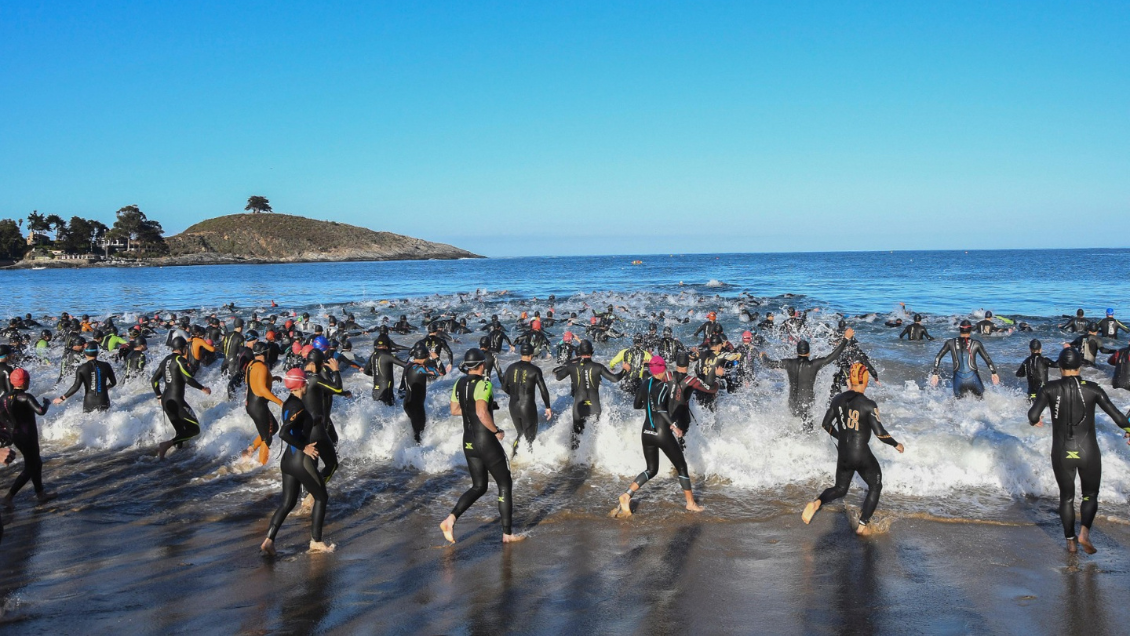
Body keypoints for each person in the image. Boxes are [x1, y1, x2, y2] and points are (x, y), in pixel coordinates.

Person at [1027, 348, 1130, 554]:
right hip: (1088, 451)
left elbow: (1032, 416)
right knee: (1090, 495)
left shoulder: (1049, 388)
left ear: (1060, 366)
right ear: (1080, 366)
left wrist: (1036, 420)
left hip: (1062, 451)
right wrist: (1129, 431)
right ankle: (1084, 532)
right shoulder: (1093, 389)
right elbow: (1118, 417)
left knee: (1066, 497)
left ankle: (1071, 542)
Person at [801, 363, 904, 535]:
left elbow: (826, 424)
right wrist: (896, 444)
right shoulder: (869, 404)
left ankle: (817, 503)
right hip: (861, 453)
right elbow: (880, 434)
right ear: (866, 381)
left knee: (840, 488)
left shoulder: (837, 399)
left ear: (850, 379)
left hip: (844, 452)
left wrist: (840, 437)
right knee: (875, 485)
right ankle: (862, 525)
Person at [439, 349, 524, 544]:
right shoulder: (484, 383)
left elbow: (454, 410)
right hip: (485, 441)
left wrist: (475, 409)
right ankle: (507, 534)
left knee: (479, 486)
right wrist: (496, 431)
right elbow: (481, 413)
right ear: (482, 365)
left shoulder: (458, 383)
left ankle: (450, 519)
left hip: (468, 442)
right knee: (504, 483)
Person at [614, 357, 704, 517]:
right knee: (681, 466)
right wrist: (674, 426)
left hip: (646, 432)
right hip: (661, 432)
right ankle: (690, 503)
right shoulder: (663, 386)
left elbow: (636, 405)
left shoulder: (644, 384)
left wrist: (651, 406)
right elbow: (662, 409)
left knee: (651, 469)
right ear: (662, 370)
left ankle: (627, 495)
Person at [260, 368, 335, 556]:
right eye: (305, 381)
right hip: (300, 461)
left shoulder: (289, 403)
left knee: (288, 503)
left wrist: (315, 420)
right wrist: (305, 447)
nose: (307, 384)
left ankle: (269, 540)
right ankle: (316, 542)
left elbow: (297, 426)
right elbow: (284, 433)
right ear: (301, 384)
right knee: (322, 497)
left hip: (288, 461)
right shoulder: (298, 407)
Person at [762, 329, 852, 429]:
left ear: (797, 352)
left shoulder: (788, 363)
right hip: (806, 405)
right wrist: (846, 339)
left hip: (792, 404)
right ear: (808, 353)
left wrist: (764, 356)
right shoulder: (813, 365)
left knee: (793, 428)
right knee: (808, 430)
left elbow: (768, 363)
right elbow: (832, 357)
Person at [0, 368, 57, 509]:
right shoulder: (25, 397)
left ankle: (40, 493)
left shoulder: (4, 398)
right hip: (28, 436)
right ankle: (9, 497)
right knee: (31, 466)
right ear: (25, 382)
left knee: (37, 463)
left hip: (16, 436)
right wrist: (47, 403)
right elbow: (40, 411)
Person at [553, 339, 626, 449]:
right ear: (592, 351)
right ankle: (593, 457)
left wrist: (559, 370)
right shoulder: (598, 367)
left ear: (579, 352)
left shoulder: (572, 366)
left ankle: (573, 457)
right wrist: (625, 370)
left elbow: (558, 376)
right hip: (594, 406)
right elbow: (615, 379)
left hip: (579, 407)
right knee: (594, 436)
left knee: (576, 436)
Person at [151, 337, 212, 459]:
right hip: (177, 401)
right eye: (185, 347)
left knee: (180, 431)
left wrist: (159, 396)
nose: (187, 350)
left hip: (166, 401)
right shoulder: (179, 360)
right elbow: (187, 378)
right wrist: (202, 388)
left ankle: (176, 458)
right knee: (195, 430)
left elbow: (154, 380)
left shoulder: (165, 360)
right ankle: (166, 445)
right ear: (181, 348)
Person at [500, 343, 552, 456]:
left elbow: (504, 387)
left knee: (520, 433)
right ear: (531, 355)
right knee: (530, 437)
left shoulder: (511, 367)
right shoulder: (535, 370)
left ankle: (514, 457)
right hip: (527, 406)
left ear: (521, 353)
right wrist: (548, 407)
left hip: (513, 405)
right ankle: (528, 462)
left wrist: (513, 395)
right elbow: (543, 390)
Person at [929, 320, 999, 399]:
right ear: (970, 329)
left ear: (960, 329)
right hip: (973, 379)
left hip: (958, 381)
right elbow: (987, 358)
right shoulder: (976, 343)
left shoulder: (950, 342)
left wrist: (935, 374)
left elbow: (938, 357)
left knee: (958, 403)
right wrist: (994, 372)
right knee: (981, 400)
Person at [243, 341, 283, 465]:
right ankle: (261, 467)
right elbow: (262, 390)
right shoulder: (262, 367)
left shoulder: (251, 364)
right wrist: (280, 402)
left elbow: (249, 381)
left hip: (251, 404)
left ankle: (250, 450)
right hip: (259, 406)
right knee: (267, 438)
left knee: (274, 427)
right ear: (266, 352)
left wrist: (271, 378)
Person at [667, 351, 718, 447]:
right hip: (682, 417)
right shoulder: (692, 380)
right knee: (682, 445)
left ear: (676, 363)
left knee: (669, 445)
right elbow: (711, 389)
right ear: (688, 364)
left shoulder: (667, 376)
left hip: (667, 416)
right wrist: (717, 378)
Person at [54, 341, 117, 412]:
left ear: (85, 353)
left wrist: (62, 398)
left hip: (89, 401)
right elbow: (113, 382)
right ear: (97, 352)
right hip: (103, 400)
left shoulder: (82, 368)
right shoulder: (106, 365)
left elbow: (76, 387)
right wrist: (106, 387)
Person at [402, 343, 446, 443]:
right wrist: (436, 358)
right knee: (419, 434)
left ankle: (408, 448)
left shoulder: (409, 365)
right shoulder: (420, 369)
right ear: (424, 357)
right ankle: (416, 451)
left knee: (415, 431)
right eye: (428, 357)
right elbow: (442, 372)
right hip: (416, 406)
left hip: (407, 403)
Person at [363, 334, 408, 405]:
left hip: (376, 391)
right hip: (386, 391)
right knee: (391, 409)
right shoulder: (388, 356)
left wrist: (377, 375)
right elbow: (406, 365)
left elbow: (366, 371)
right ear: (387, 345)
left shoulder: (373, 355)